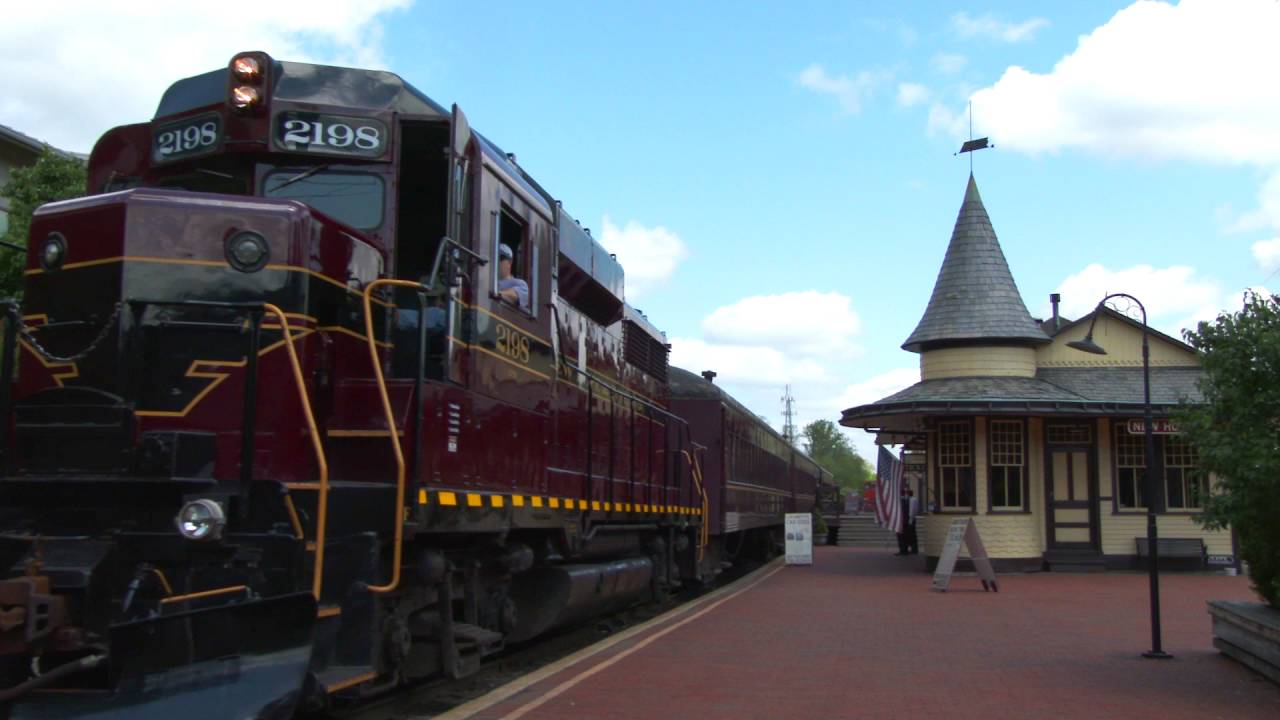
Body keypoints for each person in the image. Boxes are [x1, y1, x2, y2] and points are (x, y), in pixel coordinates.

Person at [496, 243, 529, 311]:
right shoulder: (487, 280)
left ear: (510, 262)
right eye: (494, 257)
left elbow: (516, 294)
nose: (496, 261)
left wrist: (497, 293)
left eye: (500, 258)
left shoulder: (520, 283)